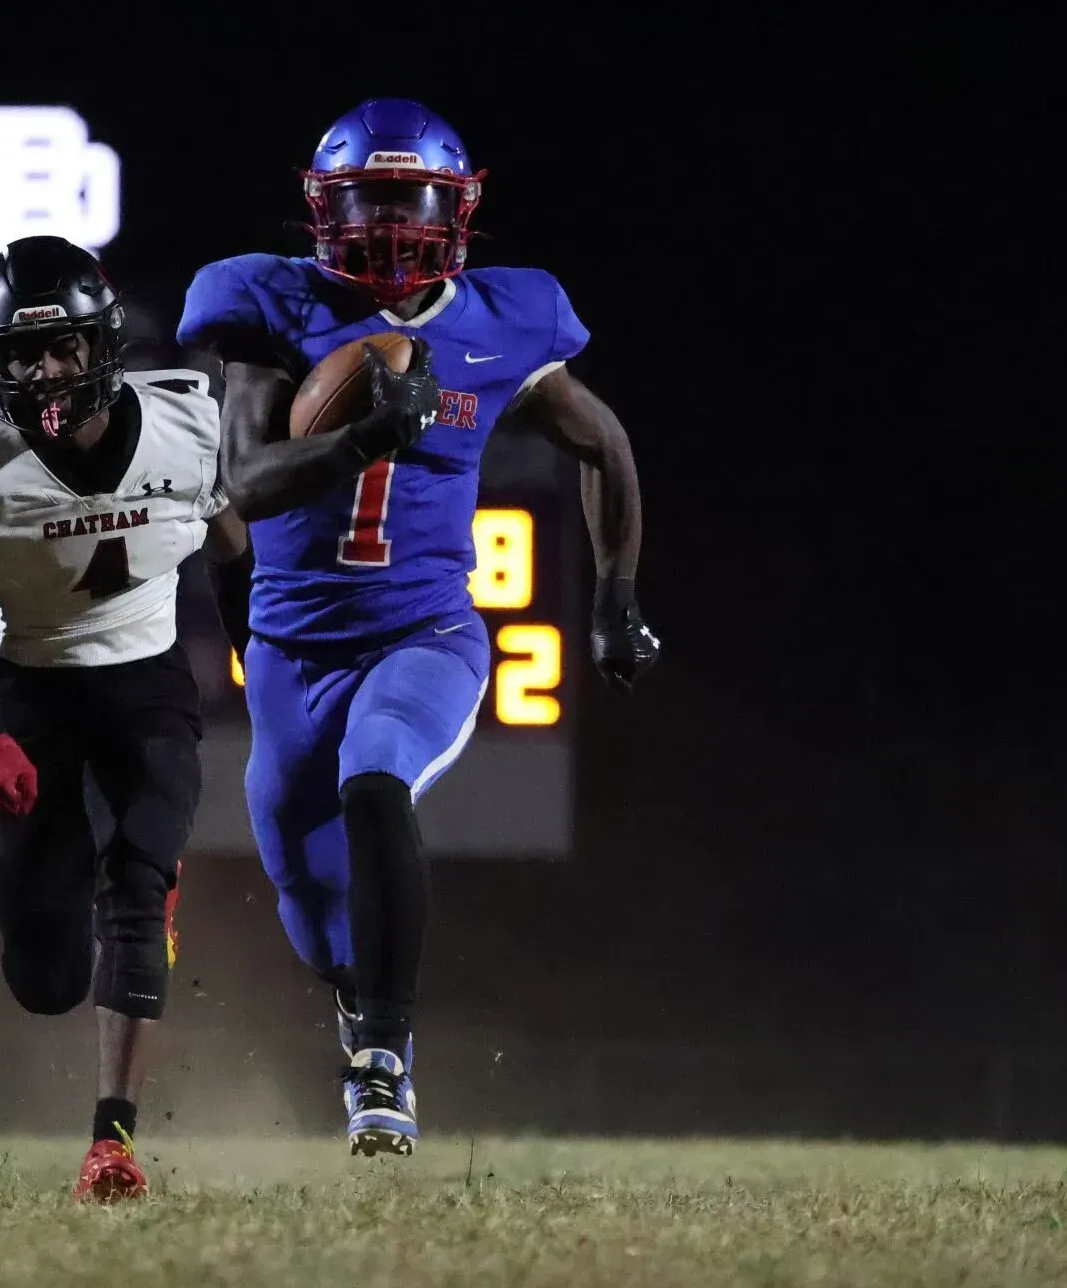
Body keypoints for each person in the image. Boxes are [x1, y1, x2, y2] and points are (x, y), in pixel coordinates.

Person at [175, 98, 659, 1156]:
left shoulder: (503, 320)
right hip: (290, 652)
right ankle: (361, 1008)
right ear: (322, 206)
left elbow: (605, 446)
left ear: (458, 208)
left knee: (375, 775)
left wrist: (614, 598)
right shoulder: (268, 305)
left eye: (412, 201)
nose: (391, 224)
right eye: (369, 199)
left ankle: (383, 1063)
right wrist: (362, 440)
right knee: (306, 899)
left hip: (423, 634)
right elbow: (245, 483)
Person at [0, 235, 251, 1202]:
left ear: (103, 342)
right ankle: (102, 924)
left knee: (137, 883)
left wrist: (259, 659)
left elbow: (232, 555)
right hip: (27, 691)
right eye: (19, 354)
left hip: (145, 686)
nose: (44, 372)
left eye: (59, 350)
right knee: (44, 976)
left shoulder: (189, 424)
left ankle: (113, 1144)